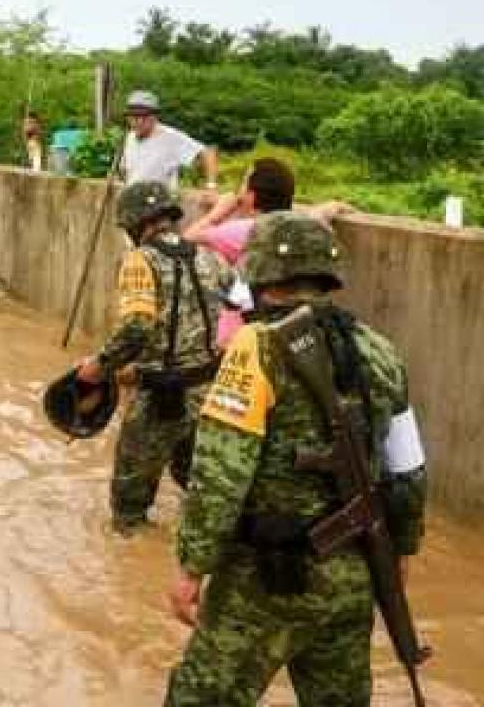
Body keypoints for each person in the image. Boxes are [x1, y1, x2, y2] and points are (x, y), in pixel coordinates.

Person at [165, 212, 428, 705]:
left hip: (262, 582)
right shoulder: (382, 351)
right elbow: (410, 474)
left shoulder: (255, 346)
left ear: (259, 271)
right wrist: (401, 554)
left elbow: (220, 476)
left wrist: (190, 567)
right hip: (352, 575)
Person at [75, 181, 228, 534]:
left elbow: (138, 326)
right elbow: (245, 303)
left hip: (160, 398)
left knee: (128, 506)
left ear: (133, 224)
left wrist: (99, 366)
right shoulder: (208, 256)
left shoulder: (139, 260)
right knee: (197, 483)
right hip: (209, 394)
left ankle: (134, 569)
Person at [183, 158, 351, 347]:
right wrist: (328, 208)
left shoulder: (243, 230)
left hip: (241, 339)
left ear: (251, 197)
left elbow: (186, 240)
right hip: (296, 335)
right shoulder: (301, 229)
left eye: (243, 184)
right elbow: (310, 217)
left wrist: (217, 213)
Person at [120, 91, 219, 198]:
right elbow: (127, 172)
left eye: (144, 117)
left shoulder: (170, 137)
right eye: (134, 117)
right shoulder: (130, 137)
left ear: (154, 116)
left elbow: (208, 153)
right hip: (134, 203)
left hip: (160, 204)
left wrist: (211, 186)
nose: (139, 121)